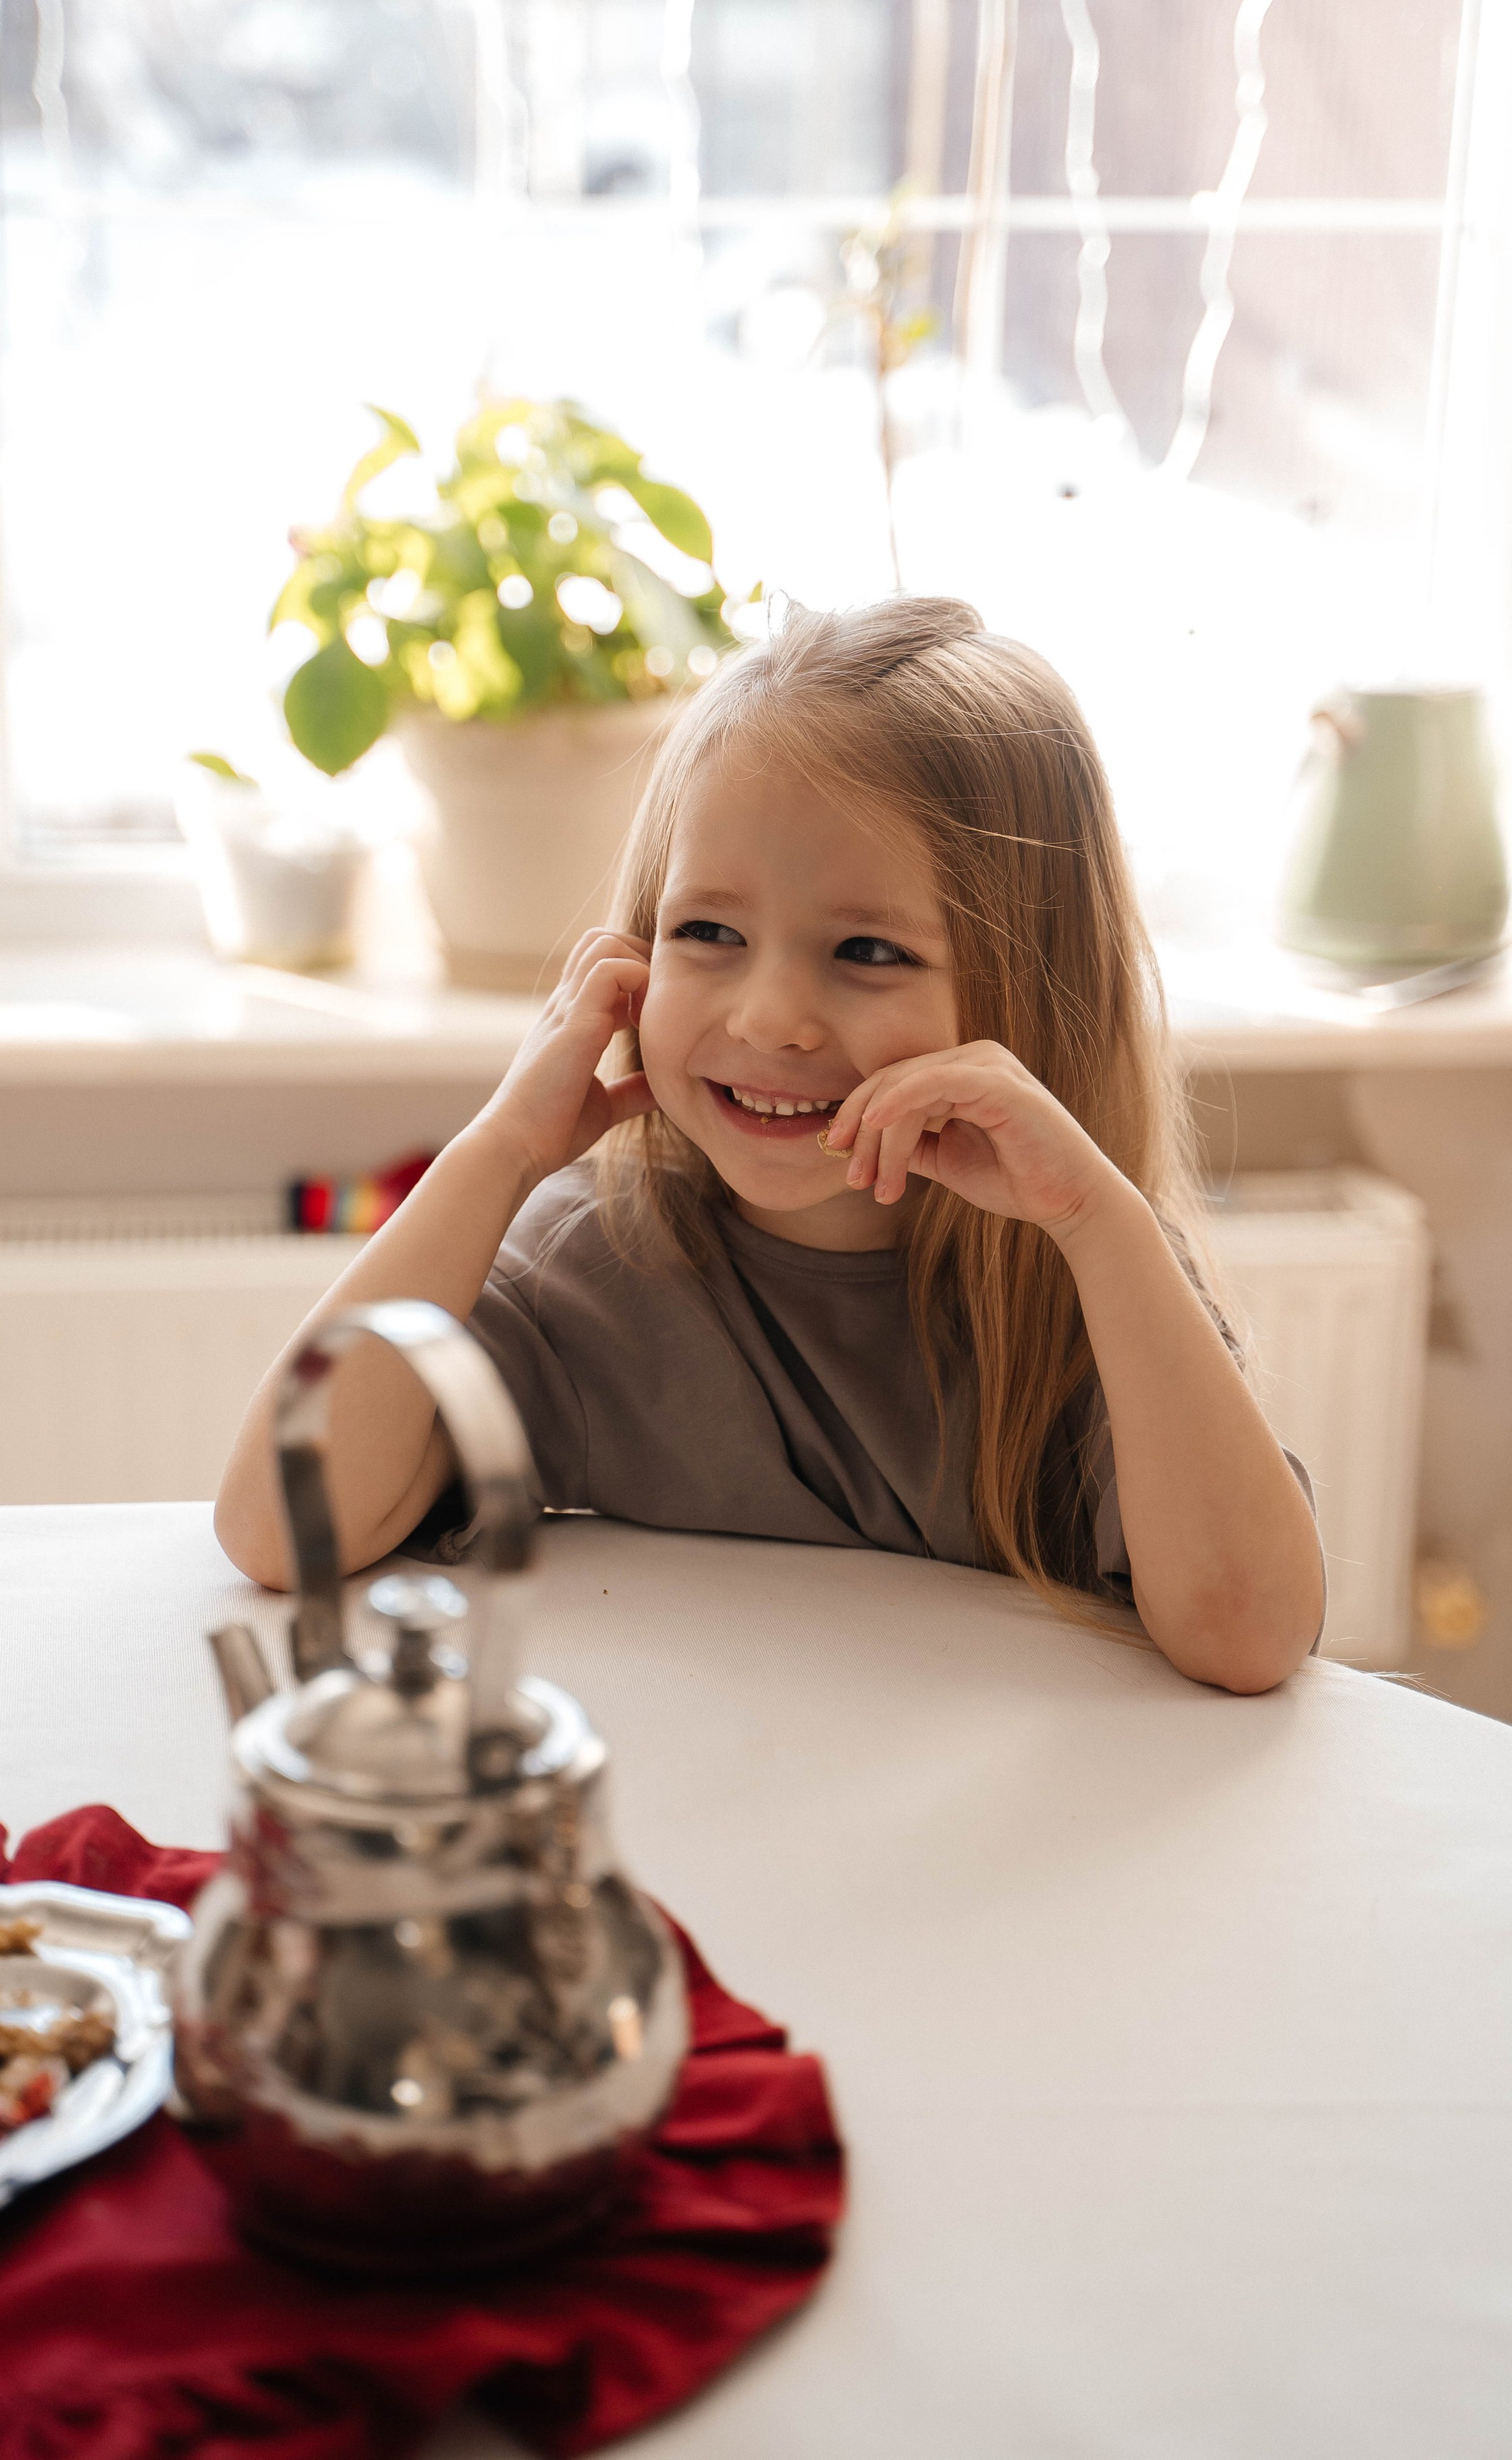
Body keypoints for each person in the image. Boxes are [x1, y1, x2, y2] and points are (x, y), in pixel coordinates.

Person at [217, 597, 1325, 1692]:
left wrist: (1099, 1221)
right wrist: (501, 1149)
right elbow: (281, 1532)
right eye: (709, 933)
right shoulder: (592, 1271)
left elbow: (1252, 1638)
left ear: (1028, 1004)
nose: (767, 1019)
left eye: (867, 950)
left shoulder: (1090, 1289)